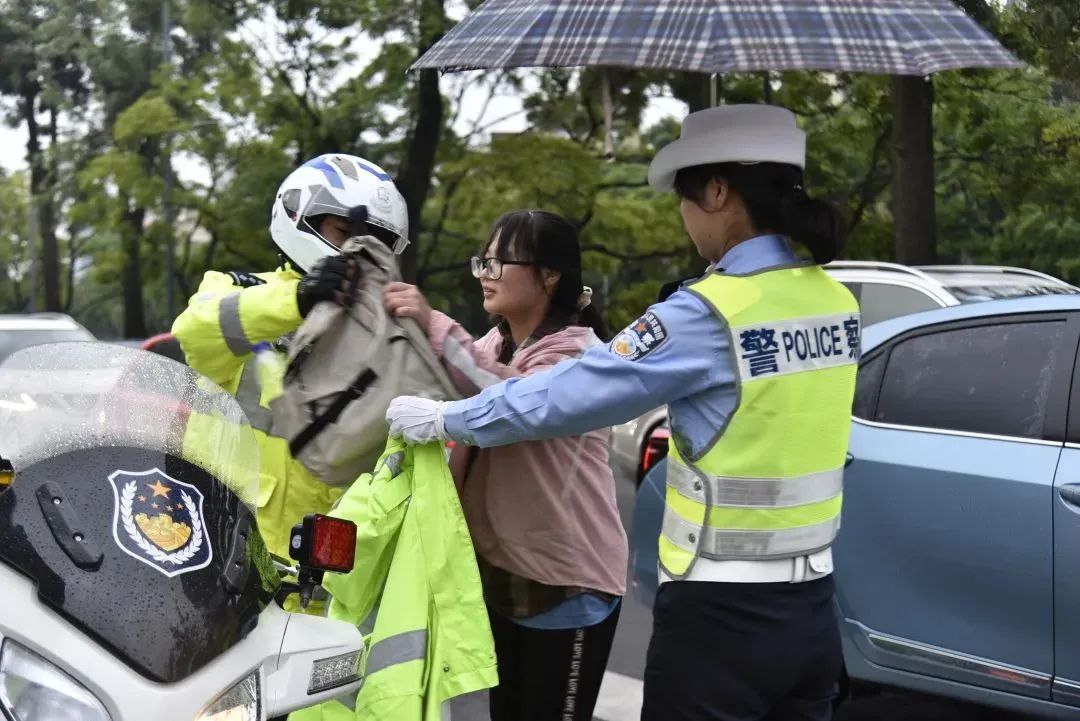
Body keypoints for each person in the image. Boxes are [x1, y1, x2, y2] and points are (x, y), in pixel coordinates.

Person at [386, 105, 861, 721]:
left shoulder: (708, 312)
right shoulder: (835, 301)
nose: (685, 218)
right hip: (815, 609)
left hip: (720, 617)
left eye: (685, 199)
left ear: (717, 191)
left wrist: (444, 420)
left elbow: (565, 393)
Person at [382, 209, 627, 721]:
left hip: (566, 585)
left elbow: (505, 402)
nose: (485, 275)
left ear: (549, 275)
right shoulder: (498, 344)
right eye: (482, 262)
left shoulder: (578, 357)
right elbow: (470, 373)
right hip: (502, 578)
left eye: (497, 263)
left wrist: (434, 324)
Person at [172, 153, 409, 564]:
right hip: (215, 540)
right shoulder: (236, 289)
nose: (360, 250)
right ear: (301, 217)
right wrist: (298, 300)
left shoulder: (387, 330)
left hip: (322, 562)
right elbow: (195, 331)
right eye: (345, 232)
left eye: (376, 241)